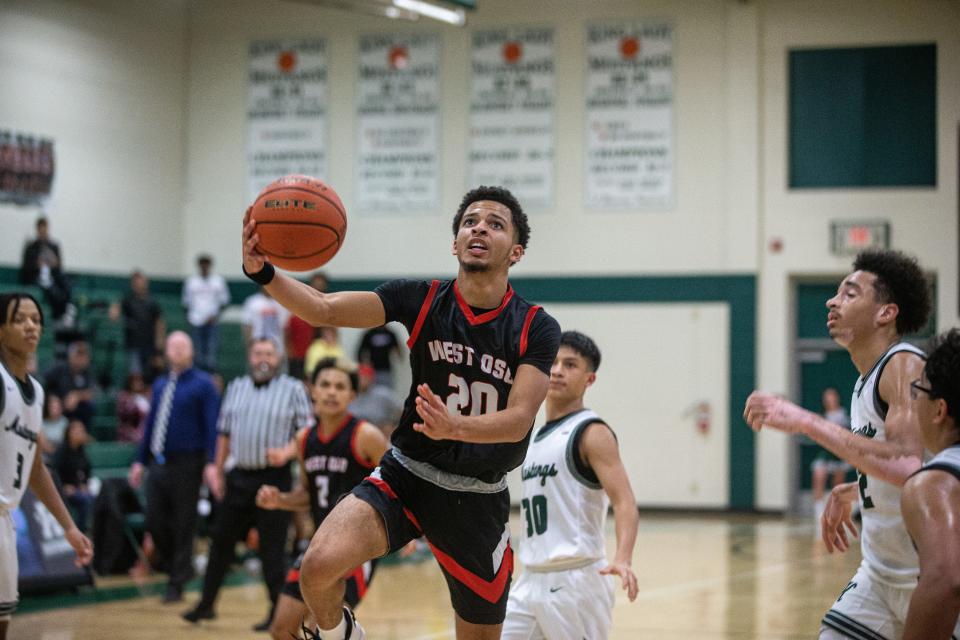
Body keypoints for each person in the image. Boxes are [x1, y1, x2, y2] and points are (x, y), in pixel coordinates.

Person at [242, 184, 561, 640]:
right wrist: (263, 272)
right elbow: (323, 309)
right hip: (406, 474)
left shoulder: (536, 326)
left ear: (516, 251)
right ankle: (343, 636)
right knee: (317, 567)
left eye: (495, 224)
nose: (479, 228)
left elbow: (520, 417)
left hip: (477, 496)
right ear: (455, 243)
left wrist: (457, 426)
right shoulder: (422, 298)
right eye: (470, 221)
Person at [744, 249, 932, 639]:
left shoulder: (904, 364)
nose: (832, 301)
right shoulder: (864, 379)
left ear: (886, 313)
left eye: (850, 293)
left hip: (930, 577)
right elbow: (904, 465)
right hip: (880, 575)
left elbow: (908, 464)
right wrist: (857, 487)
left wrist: (805, 421)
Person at [502, 331, 639, 639]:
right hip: (530, 578)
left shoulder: (592, 432)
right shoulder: (535, 435)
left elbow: (624, 501)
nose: (557, 370)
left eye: (570, 364)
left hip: (576, 579)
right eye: (552, 362)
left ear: (589, 379)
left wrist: (624, 557)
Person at [182, 337, 314, 631]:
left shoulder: (293, 389)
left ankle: (276, 612)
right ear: (249, 357)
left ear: (278, 358)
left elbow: (306, 433)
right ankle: (205, 604)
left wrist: (287, 453)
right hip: (239, 477)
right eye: (257, 353)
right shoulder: (236, 387)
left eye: (268, 353)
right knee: (221, 544)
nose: (262, 358)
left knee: (272, 551)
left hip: (274, 479)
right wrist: (216, 471)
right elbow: (224, 434)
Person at [256, 357, 391, 640]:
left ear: (352, 395)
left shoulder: (365, 435)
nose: (332, 392)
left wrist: (407, 534)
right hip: (318, 546)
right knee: (281, 629)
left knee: (324, 631)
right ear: (312, 390)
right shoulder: (304, 439)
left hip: (355, 549)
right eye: (325, 385)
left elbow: (400, 483)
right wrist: (280, 500)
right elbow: (308, 494)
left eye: (340, 386)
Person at [0, 292, 93, 639]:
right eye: (19, 319)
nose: (30, 326)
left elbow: (37, 468)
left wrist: (68, 527)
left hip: (5, 519)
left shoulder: (36, 393)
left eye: (36, 320)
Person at [128, 331, 220, 603]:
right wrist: (139, 460)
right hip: (158, 462)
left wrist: (212, 462)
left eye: (183, 346)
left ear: (191, 352)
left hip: (188, 463)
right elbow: (151, 425)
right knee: (154, 520)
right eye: (173, 346)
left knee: (184, 523)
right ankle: (179, 567)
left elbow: (212, 426)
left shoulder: (204, 384)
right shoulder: (159, 385)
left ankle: (176, 583)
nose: (178, 351)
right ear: (166, 351)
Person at [901, 329, 960, 640]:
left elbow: (944, 580)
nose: (913, 403)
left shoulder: (934, 483)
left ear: (939, 410)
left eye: (918, 391)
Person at [110, 270, 165, 378]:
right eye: (135, 282)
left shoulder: (153, 301)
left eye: (141, 282)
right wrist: (114, 311)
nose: (138, 285)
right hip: (133, 344)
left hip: (149, 344)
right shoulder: (128, 299)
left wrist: (159, 343)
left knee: (149, 374)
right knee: (135, 374)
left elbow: (159, 322)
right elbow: (115, 310)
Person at [19, 217, 73, 327]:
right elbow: (26, 269)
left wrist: (53, 264)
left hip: (52, 277)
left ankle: (66, 308)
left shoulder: (54, 246)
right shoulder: (31, 247)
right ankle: (60, 313)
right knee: (51, 289)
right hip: (36, 278)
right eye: (41, 229)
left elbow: (59, 267)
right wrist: (37, 264)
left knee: (66, 283)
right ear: (37, 229)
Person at [811, 388, 853, 525]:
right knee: (819, 475)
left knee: (838, 485)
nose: (830, 399)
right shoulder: (822, 416)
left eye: (832, 396)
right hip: (826, 453)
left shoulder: (844, 414)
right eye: (827, 397)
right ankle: (819, 511)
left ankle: (836, 511)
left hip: (839, 454)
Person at [182, 254, 231, 372]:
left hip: (212, 322)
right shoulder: (191, 282)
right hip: (195, 322)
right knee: (196, 353)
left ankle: (210, 378)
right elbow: (186, 302)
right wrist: (190, 318)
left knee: (211, 354)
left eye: (206, 264)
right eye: (202, 264)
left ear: (210, 266)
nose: (204, 267)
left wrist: (215, 316)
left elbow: (224, 301)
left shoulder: (218, 281)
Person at [43, 339, 96, 429]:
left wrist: (77, 396)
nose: (81, 359)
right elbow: (44, 382)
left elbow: (93, 391)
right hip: (58, 408)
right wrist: (53, 399)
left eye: (84, 355)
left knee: (90, 406)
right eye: (78, 355)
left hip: (78, 412)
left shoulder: (88, 372)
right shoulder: (59, 369)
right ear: (70, 356)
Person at [53, 419, 94, 533]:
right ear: (69, 433)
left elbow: (87, 471)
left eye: (82, 430)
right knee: (85, 500)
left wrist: (84, 484)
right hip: (63, 490)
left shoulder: (82, 451)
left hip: (77, 489)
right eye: (77, 430)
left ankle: (94, 532)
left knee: (93, 498)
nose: (80, 433)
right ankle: (80, 532)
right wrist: (63, 487)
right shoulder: (61, 451)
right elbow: (54, 472)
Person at [286, 272, 328, 381]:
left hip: (317, 356)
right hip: (298, 356)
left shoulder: (328, 310)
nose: (319, 287)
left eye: (321, 285)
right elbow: (287, 333)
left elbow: (331, 333)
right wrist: (289, 352)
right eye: (316, 285)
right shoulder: (297, 312)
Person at [348, 364, 402, 436]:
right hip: (355, 435)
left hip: (381, 434)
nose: (362, 380)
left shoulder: (383, 394)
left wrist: (394, 426)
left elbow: (402, 410)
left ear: (371, 378)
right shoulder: (349, 395)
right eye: (360, 377)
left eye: (365, 377)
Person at [243, 288, 289, 355]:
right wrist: (249, 348)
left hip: (279, 347)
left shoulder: (283, 302)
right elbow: (248, 327)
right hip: (258, 346)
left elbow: (286, 328)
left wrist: (286, 350)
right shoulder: (252, 302)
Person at [115, 372, 150, 444]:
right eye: (135, 382)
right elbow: (125, 415)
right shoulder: (124, 396)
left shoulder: (147, 396)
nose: (138, 384)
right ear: (130, 383)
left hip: (144, 429)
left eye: (140, 381)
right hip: (128, 430)